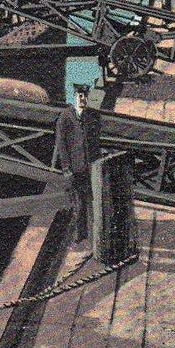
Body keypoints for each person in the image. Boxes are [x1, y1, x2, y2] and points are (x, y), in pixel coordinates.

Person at [54, 87, 102, 245]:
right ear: (74, 98)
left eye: (85, 98)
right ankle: (80, 235)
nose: (82, 101)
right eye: (79, 97)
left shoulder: (91, 116)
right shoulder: (65, 117)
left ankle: (93, 233)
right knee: (79, 203)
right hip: (76, 168)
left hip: (90, 166)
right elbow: (61, 145)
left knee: (94, 200)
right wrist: (66, 168)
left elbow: (95, 140)